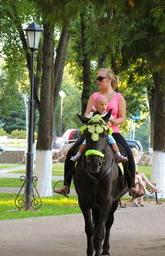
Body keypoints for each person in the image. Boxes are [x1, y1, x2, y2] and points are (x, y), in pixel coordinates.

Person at [54, 68, 142, 197]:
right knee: (71, 152)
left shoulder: (118, 97)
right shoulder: (94, 96)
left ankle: (132, 187)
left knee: (128, 153)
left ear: (109, 80)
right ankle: (66, 185)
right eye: (97, 78)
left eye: (100, 78)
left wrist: (111, 121)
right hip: (93, 133)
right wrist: (94, 120)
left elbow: (123, 118)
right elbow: (86, 115)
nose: (97, 81)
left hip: (112, 133)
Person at [70, 94, 128, 163]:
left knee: (112, 140)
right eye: (101, 104)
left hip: (103, 134)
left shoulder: (107, 115)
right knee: (85, 142)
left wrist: (107, 124)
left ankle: (118, 155)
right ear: (97, 105)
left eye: (105, 104)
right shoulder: (92, 114)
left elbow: (110, 123)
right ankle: (78, 155)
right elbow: (87, 121)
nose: (104, 106)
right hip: (92, 134)